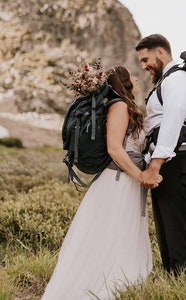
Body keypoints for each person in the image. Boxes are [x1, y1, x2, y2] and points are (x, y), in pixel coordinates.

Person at [42, 65, 157, 300]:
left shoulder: (126, 106)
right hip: (117, 182)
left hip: (126, 181)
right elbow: (114, 149)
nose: (136, 77)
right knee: (110, 234)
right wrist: (140, 176)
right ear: (124, 82)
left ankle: (122, 283)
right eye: (132, 75)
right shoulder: (120, 106)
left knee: (120, 234)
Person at [135, 34, 186, 283]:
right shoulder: (167, 81)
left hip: (178, 162)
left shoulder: (178, 80)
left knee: (178, 235)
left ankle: (185, 289)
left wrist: (154, 166)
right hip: (171, 162)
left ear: (161, 53)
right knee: (166, 236)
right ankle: (174, 288)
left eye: (146, 59)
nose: (144, 66)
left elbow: (172, 121)